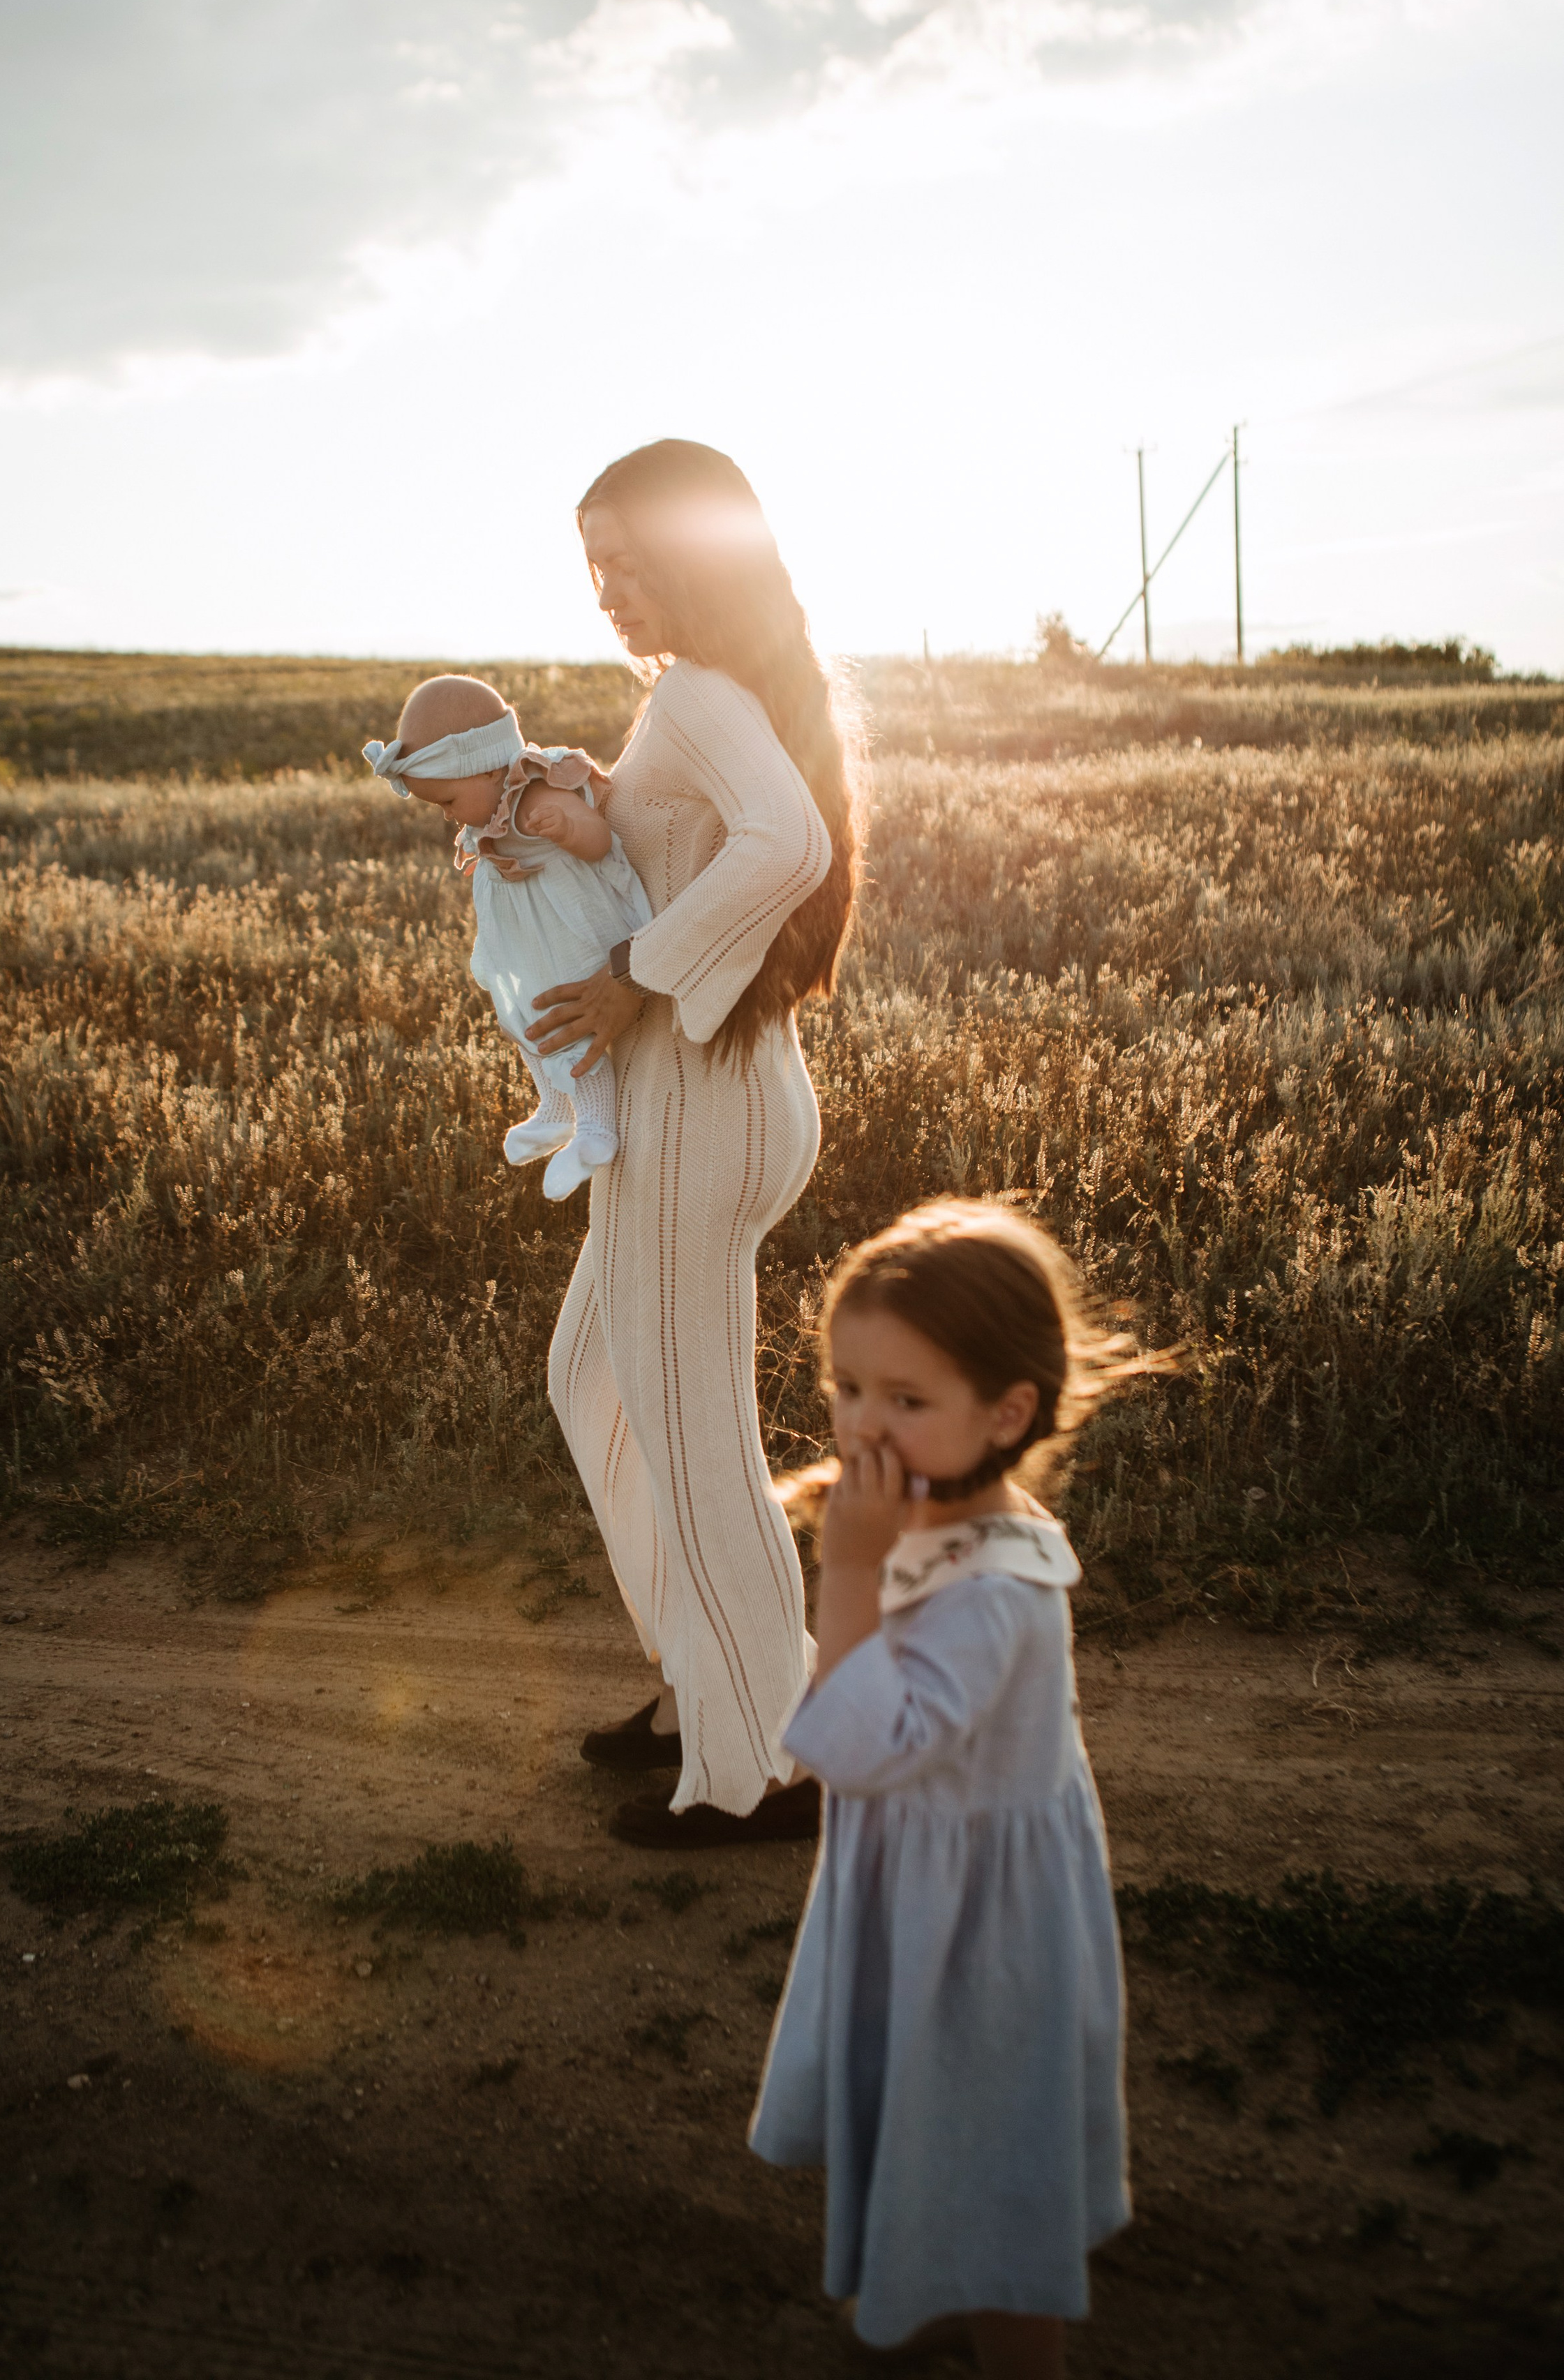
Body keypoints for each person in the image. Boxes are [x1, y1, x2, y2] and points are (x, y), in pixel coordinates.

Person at [749, 1199, 1165, 2377]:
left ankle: (1007, 2334)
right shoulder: (948, 1509)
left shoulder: (996, 1595)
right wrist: (873, 1543)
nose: (861, 1426)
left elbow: (862, 1745)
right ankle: (936, 2290)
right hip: (925, 1891)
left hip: (982, 1936)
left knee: (990, 2169)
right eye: (847, 1388)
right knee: (934, 2128)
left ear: (1007, 1413)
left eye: (905, 1400)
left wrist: (848, 1569)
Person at [529, 440, 863, 1848]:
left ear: (690, 557)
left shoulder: (708, 692)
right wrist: (576, 801)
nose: (606, 588)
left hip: (697, 1106)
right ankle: (707, 1677)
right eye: (591, 565)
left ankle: (761, 1766)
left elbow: (786, 847)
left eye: (626, 560)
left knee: (690, 1431)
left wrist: (636, 977)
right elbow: (686, 840)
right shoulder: (699, 692)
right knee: (592, 1378)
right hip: (702, 1100)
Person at [365, 674, 653, 1201]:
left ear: (487, 767)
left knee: (569, 1018)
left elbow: (599, 841)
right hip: (527, 936)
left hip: (571, 928)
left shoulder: (537, 790)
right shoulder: (488, 804)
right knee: (522, 1014)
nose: (448, 815)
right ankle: (555, 1108)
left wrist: (568, 829)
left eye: (448, 800)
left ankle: (596, 1129)